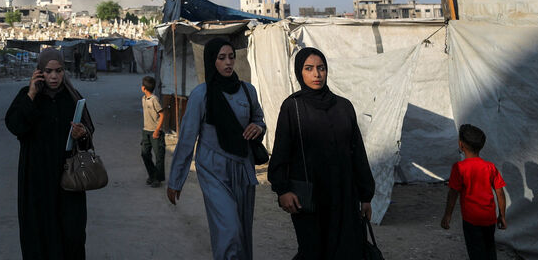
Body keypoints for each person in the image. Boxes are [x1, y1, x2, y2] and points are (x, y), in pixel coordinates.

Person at [269, 47, 375, 259]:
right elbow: (281, 151)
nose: (316, 74)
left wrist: (365, 196)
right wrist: (282, 190)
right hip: (309, 199)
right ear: (300, 72)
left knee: (348, 249)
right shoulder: (293, 107)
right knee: (313, 251)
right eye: (309, 69)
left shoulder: (344, 107)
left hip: (344, 195)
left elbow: (357, 153)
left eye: (321, 68)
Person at [166, 37, 266, 260]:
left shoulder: (248, 91)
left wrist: (258, 128)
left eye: (231, 57)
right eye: (222, 58)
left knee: (242, 232)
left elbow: (259, 119)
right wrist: (176, 181)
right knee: (228, 231)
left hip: (243, 168)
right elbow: (186, 141)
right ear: (212, 61)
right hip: (213, 171)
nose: (228, 63)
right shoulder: (201, 95)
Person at [5, 47, 95, 260]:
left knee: (72, 234)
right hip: (37, 180)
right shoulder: (27, 96)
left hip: (68, 180)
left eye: (59, 71)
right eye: (48, 71)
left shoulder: (72, 97)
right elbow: (15, 125)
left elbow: (88, 137)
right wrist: (32, 94)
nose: (54, 76)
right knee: (40, 234)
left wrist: (81, 134)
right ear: (39, 72)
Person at [441, 124, 508, 260]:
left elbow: (453, 193)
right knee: (489, 249)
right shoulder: (490, 167)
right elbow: (500, 193)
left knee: (476, 252)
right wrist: (502, 216)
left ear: (461, 145)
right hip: (489, 218)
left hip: (471, 219)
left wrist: (447, 215)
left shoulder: (459, 168)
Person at [140, 75, 166, 187]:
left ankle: (158, 179)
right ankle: (152, 175)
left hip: (155, 132)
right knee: (145, 154)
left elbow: (162, 114)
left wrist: (157, 130)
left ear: (143, 88)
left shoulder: (154, 100)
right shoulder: (143, 99)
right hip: (146, 131)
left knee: (159, 156)